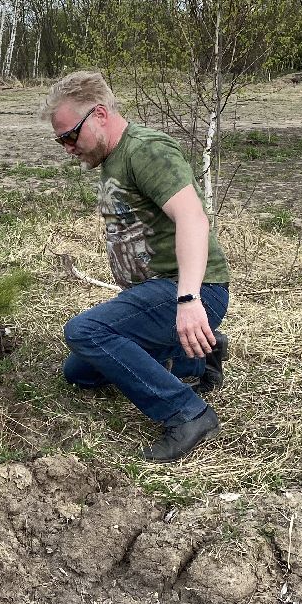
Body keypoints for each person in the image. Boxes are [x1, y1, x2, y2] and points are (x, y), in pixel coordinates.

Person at [43, 71, 231, 462]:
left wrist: (189, 299)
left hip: (192, 290)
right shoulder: (112, 158)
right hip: (159, 295)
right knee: (80, 372)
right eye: (60, 140)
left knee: (85, 332)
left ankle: (187, 414)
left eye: (70, 136)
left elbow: (193, 218)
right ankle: (197, 354)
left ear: (99, 114)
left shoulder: (146, 150)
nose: (67, 147)